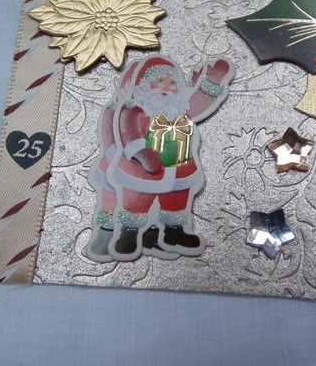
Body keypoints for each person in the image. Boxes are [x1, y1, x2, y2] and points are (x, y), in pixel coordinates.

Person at [86, 55, 235, 262]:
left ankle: (173, 232)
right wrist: (143, 154)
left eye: (173, 82)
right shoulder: (134, 110)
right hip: (142, 169)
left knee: (176, 199)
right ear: (144, 85)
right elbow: (128, 132)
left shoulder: (177, 109)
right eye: (160, 81)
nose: (167, 86)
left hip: (177, 163)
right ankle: (129, 233)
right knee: (138, 199)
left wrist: (211, 82)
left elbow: (197, 105)